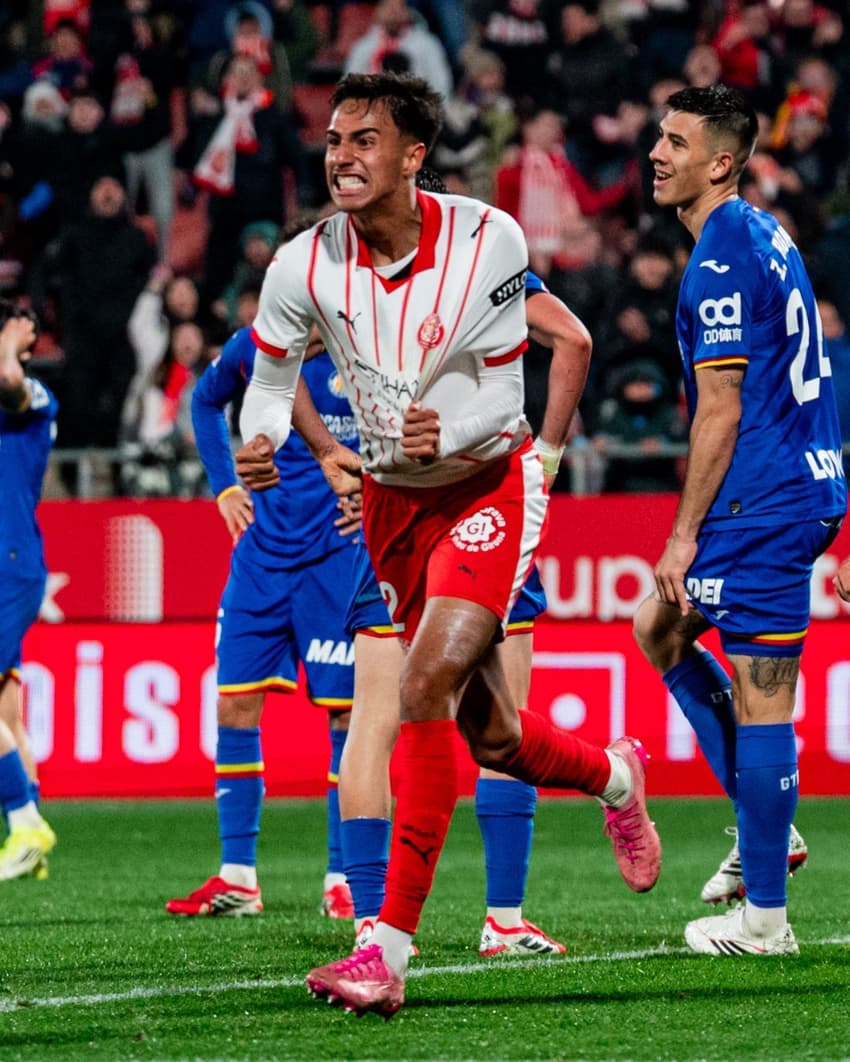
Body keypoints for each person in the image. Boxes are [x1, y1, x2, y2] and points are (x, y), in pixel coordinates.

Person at [236, 72, 661, 1018]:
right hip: (392, 511)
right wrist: (260, 437)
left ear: (413, 154)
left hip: (486, 489)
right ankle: (618, 775)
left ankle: (385, 952)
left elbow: (504, 393)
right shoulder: (302, 264)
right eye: (335, 140)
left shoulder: (488, 239)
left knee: (421, 687)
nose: (341, 156)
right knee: (491, 733)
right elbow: (270, 377)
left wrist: (458, 438)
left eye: (364, 140)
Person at [634, 84, 846, 957]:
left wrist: (684, 531)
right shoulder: (764, 230)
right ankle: (770, 827)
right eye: (659, 135)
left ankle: (764, 920)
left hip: (762, 496)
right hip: (798, 480)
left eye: (676, 142)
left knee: (764, 697)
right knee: (659, 629)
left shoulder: (720, 253)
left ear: (720, 161)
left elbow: (720, 407)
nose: (656, 152)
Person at [334, 256, 595, 958]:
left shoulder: (345, 275)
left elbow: (276, 370)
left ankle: (371, 921)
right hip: (483, 506)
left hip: (401, 512)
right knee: (500, 721)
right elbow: (572, 340)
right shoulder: (480, 262)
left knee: (378, 720)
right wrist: (547, 454)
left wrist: (333, 454)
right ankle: (503, 919)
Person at [165, 321, 362, 919]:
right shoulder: (259, 342)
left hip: (339, 555)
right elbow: (204, 399)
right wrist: (224, 487)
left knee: (349, 716)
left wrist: (376, 499)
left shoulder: (374, 341)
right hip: (261, 557)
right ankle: (238, 877)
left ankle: (344, 877)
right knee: (234, 704)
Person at [0, 300, 58, 880]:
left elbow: (9, 380)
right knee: (7, 711)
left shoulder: (33, 397)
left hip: (8, 560)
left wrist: (10, 335)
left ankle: (22, 821)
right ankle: (30, 839)